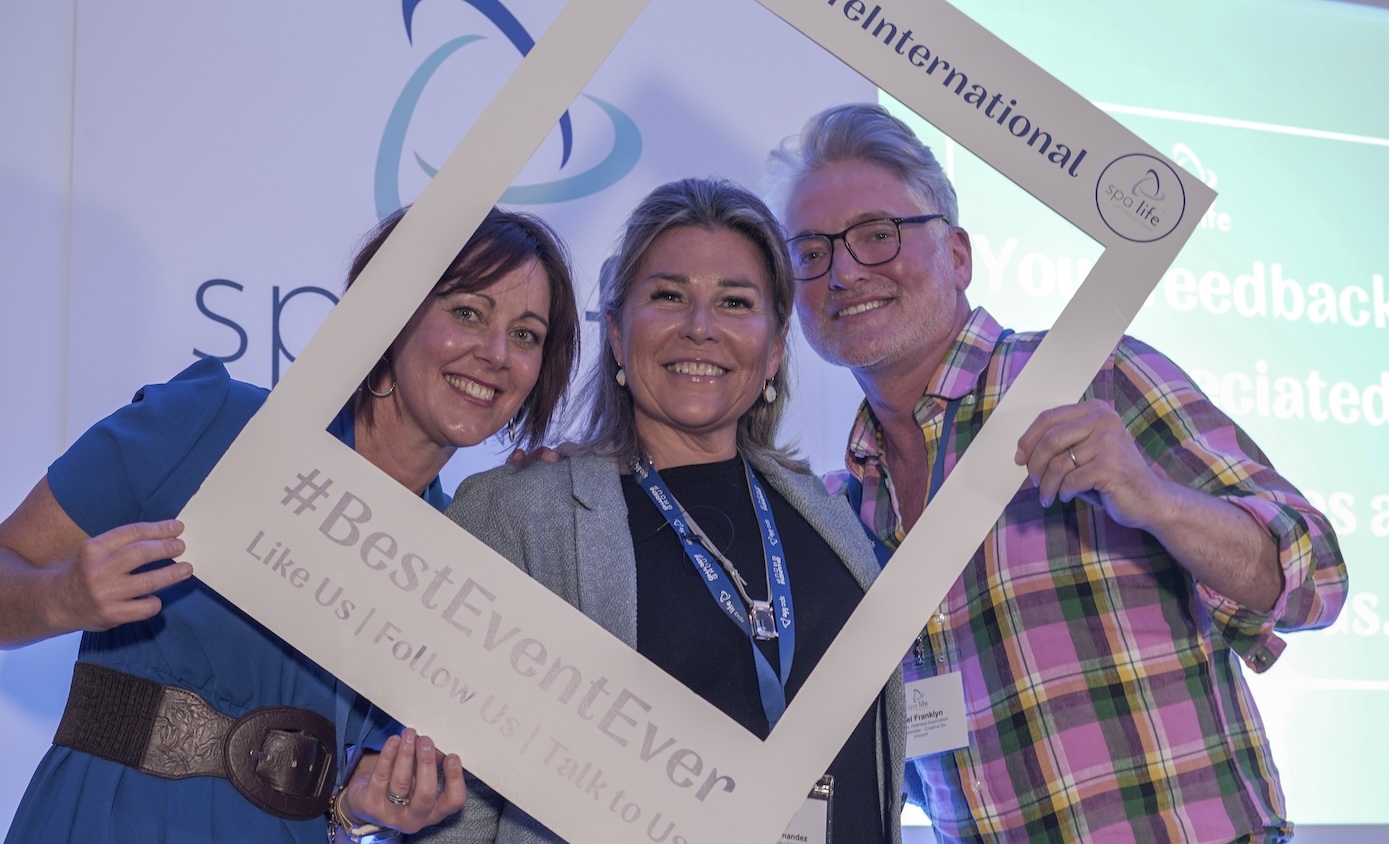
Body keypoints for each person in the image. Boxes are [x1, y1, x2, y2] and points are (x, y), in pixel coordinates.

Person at [764, 103, 1349, 843]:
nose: (845, 271)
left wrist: (1157, 500)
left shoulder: (1090, 376)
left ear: (959, 255)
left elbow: (1317, 578)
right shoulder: (837, 512)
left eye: (878, 235)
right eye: (811, 253)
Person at [0, 206, 580, 843]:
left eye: (526, 335)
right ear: (389, 314)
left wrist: (359, 810)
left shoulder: (457, 570)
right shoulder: (213, 424)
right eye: (467, 312)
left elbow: (354, 791)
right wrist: (59, 599)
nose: (495, 353)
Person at [416, 178, 906, 844]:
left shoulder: (831, 515)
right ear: (617, 333)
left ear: (776, 346)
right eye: (669, 296)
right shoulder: (522, 517)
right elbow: (452, 813)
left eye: (735, 302)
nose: (700, 328)